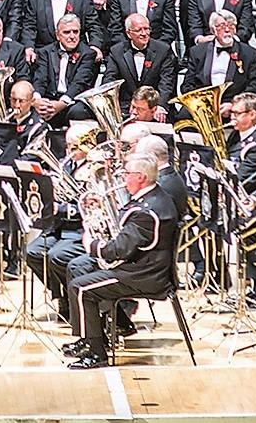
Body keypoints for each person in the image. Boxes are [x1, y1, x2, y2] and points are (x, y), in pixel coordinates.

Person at [62, 151, 178, 369]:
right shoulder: (153, 197)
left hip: (143, 275)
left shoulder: (147, 211)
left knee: (81, 289)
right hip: (140, 265)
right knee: (77, 268)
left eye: (127, 174)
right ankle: (91, 338)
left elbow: (116, 251)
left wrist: (92, 244)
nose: (123, 178)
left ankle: (97, 355)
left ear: (141, 177)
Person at [25, 122, 94, 323]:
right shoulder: (66, 166)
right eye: (67, 146)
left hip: (79, 229)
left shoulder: (92, 169)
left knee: (55, 256)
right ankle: (60, 295)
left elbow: (89, 205)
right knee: (32, 252)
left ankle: (72, 300)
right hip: (58, 227)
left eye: (74, 147)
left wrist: (62, 208)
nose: (68, 151)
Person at [184, 11, 256, 100]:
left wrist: (235, 104)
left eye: (231, 26)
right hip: (204, 102)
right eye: (222, 26)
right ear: (213, 30)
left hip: (234, 104)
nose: (227, 30)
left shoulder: (250, 53)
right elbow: (187, 84)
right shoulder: (197, 52)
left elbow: (255, 84)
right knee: (182, 114)